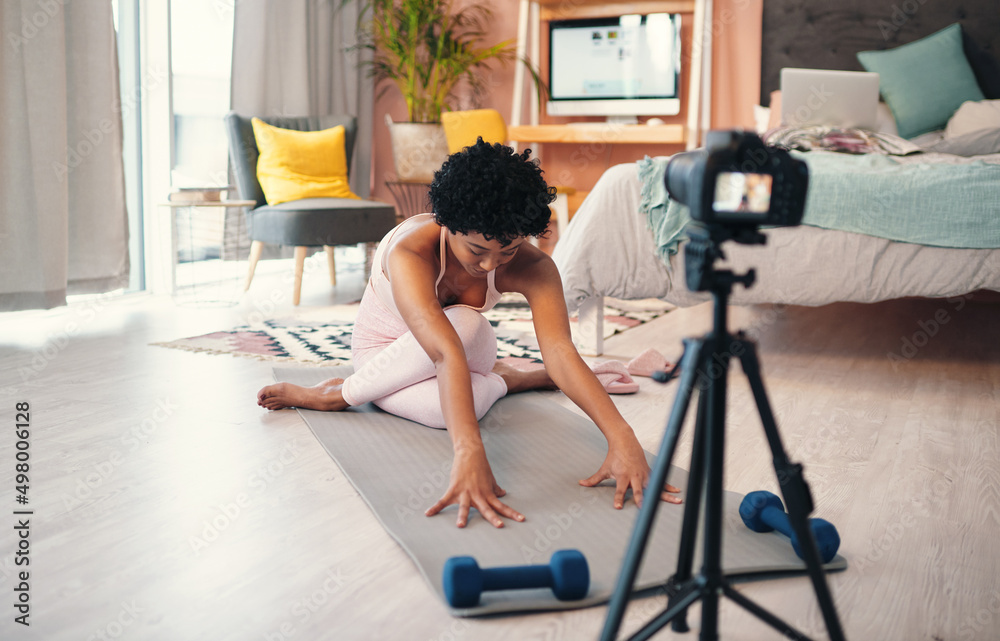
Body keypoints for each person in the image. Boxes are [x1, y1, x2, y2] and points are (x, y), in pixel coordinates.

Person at [257, 139, 681, 528]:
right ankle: (339, 392)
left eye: (508, 250)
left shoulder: (534, 268)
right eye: (477, 250)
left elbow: (560, 351)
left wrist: (623, 439)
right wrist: (469, 453)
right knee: (449, 400)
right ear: (446, 222)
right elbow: (442, 352)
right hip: (384, 358)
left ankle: (502, 376)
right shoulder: (411, 253)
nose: (490, 266)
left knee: (468, 325)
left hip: (465, 345)